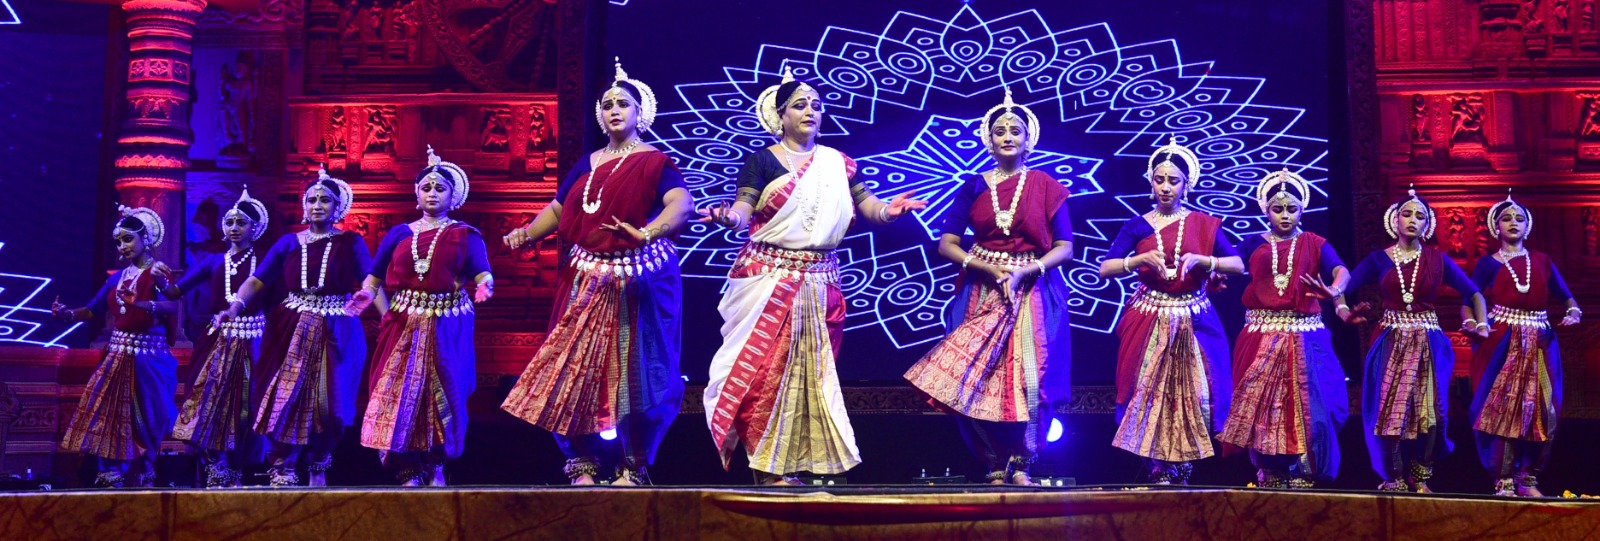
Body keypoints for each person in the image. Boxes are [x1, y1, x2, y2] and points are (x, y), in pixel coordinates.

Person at [698, 66, 928, 484]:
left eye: (816, 106)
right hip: (769, 282)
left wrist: (890, 212)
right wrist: (727, 218)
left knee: (810, 377)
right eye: (800, 105)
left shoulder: (837, 162)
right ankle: (766, 468)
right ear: (780, 115)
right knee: (764, 372)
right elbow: (743, 210)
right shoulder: (763, 161)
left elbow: (870, 207)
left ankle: (793, 465)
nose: (810, 112)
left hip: (822, 284)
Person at [501, 59, 693, 485]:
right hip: (584, 280)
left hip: (637, 282)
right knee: (573, 370)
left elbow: (681, 204)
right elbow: (558, 209)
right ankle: (581, 464)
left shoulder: (654, 162)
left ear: (641, 113)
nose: (614, 110)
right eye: (607, 105)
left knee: (636, 373)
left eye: (623, 104)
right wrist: (527, 234)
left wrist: (648, 232)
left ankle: (633, 465)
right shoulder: (587, 163)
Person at [902, 88, 1073, 486]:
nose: (1008, 136)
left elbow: (1065, 247)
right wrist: (987, 268)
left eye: (1015, 130)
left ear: (1029, 139)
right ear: (989, 141)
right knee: (974, 377)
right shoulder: (973, 186)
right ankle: (994, 462)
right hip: (981, 290)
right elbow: (947, 243)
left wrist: (1026, 270)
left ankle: (1022, 463)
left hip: (1034, 291)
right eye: (999, 131)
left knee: (1032, 378)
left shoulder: (1046, 185)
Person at [1097, 137, 1245, 484]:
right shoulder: (1137, 224)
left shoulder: (1203, 223)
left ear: (1186, 184)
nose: (1165, 187)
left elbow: (1238, 264)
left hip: (1195, 319)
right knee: (1149, 392)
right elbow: (1105, 268)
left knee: (1194, 392)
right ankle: (1158, 466)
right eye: (1159, 180)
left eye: (1173, 181)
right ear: (1150, 182)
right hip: (1149, 318)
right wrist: (1138, 260)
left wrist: (1204, 260)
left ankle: (1183, 463)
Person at [217, 167, 372, 487]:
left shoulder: (350, 242)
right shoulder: (289, 242)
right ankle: (283, 466)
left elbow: (370, 281)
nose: (317, 205)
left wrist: (377, 304)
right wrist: (234, 307)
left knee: (332, 406)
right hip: (291, 328)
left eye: (325, 200)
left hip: (338, 329)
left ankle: (319, 459)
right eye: (311, 199)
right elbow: (257, 280)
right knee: (285, 397)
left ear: (338, 207)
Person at [349, 146, 493, 486]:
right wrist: (368, 296)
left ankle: (437, 463)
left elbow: (482, 272)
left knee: (445, 390)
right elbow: (374, 278)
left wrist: (485, 286)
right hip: (402, 325)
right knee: (400, 394)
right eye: (426, 188)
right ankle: (409, 468)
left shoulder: (465, 234)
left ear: (453, 196)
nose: (432, 193)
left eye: (440, 188)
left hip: (446, 325)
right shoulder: (399, 233)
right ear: (416, 193)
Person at [1334, 187, 1487, 492]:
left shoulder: (1438, 260)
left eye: (1420, 216)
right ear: (1395, 220)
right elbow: (1341, 288)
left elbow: (1474, 293)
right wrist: (1343, 312)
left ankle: (1421, 478)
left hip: (1429, 342)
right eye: (1407, 214)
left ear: (1427, 225)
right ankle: (1393, 478)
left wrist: (1479, 323)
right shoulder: (1379, 259)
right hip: (1390, 341)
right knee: (1389, 412)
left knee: (1430, 414)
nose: (1413, 219)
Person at [1216, 169, 1351, 488]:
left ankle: (1304, 471)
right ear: (1266, 210)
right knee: (1262, 408)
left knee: (1313, 406)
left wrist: (1335, 291)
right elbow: (1230, 265)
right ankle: (1270, 472)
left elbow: (1341, 270)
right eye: (1278, 209)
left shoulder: (1315, 243)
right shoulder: (1253, 243)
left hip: (1306, 337)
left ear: (1302, 209)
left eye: (1292, 209)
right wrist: (1213, 274)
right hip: (1260, 336)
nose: (1285, 215)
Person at [53, 205, 180, 488]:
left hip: (149, 358)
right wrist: (68, 314)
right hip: (117, 355)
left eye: (128, 239)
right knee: (108, 414)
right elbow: (92, 310)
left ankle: (144, 468)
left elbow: (172, 307)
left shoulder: (158, 271)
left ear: (146, 239)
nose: (122, 246)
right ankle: (111, 472)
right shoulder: (117, 277)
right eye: (119, 241)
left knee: (148, 415)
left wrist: (140, 304)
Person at [1465, 190, 1578, 497]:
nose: (1513, 222)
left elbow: (1567, 297)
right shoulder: (1487, 264)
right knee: (1502, 409)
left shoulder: (1542, 261)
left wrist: (1573, 312)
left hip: (1541, 343)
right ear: (1496, 227)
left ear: (1528, 227)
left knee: (1542, 408)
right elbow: (1468, 301)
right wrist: (1474, 323)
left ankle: (1528, 479)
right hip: (1502, 342)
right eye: (1506, 218)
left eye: (1519, 218)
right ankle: (1502, 479)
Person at [166, 188, 270, 487]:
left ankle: (237, 469)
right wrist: (159, 277)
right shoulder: (212, 261)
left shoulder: (264, 261)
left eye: (241, 223)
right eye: (230, 222)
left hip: (254, 342)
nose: (234, 227)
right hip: (216, 342)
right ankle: (217, 466)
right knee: (209, 401)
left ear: (255, 228)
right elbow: (174, 292)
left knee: (246, 404)